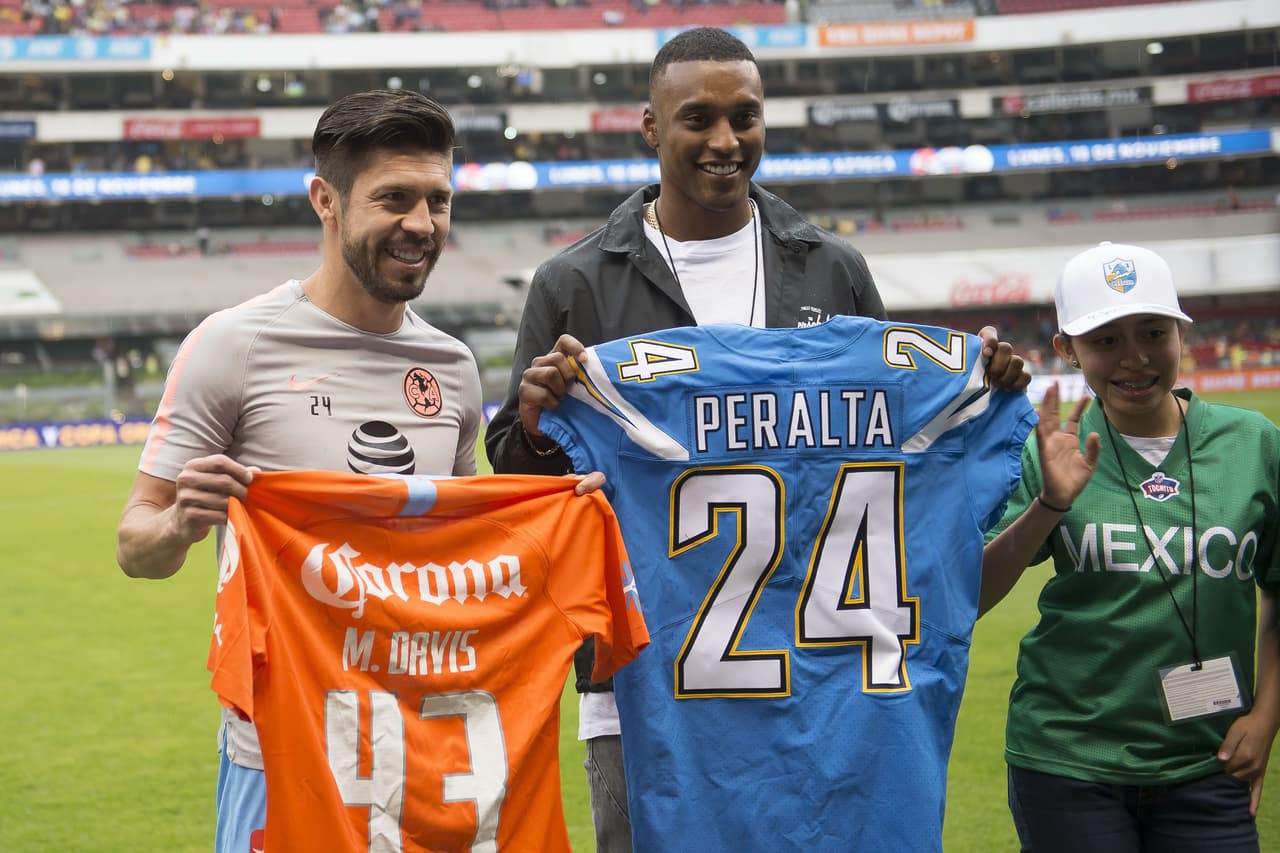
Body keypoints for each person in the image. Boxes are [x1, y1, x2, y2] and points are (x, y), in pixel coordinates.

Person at [484, 26, 1029, 852]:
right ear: (650, 126)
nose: (725, 141)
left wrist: (978, 386)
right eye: (697, 118)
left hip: (830, 679)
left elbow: (888, 451)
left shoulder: (830, 267)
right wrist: (534, 420)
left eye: (745, 116)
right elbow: (517, 477)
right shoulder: (577, 282)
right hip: (648, 686)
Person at [115, 89, 484, 853]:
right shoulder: (233, 345)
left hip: (426, 746)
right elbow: (134, 543)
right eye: (394, 199)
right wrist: (183, 521)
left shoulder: (452, 367)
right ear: (326, 200)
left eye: (438, 200)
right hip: (276, 754)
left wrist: (565, 511)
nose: (422, 224)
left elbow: (467, 542)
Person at [981, 241, 1280, 852]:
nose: (1135, 358)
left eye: (1153, 332)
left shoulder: (1256, 443)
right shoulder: (1047, 448)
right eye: (1106, 340)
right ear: (1066, 348)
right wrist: (1051, 504)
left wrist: (1266, 718)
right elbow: (970, 593)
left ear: (1180, 331)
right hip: (1067, 760)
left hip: (1208, 759)